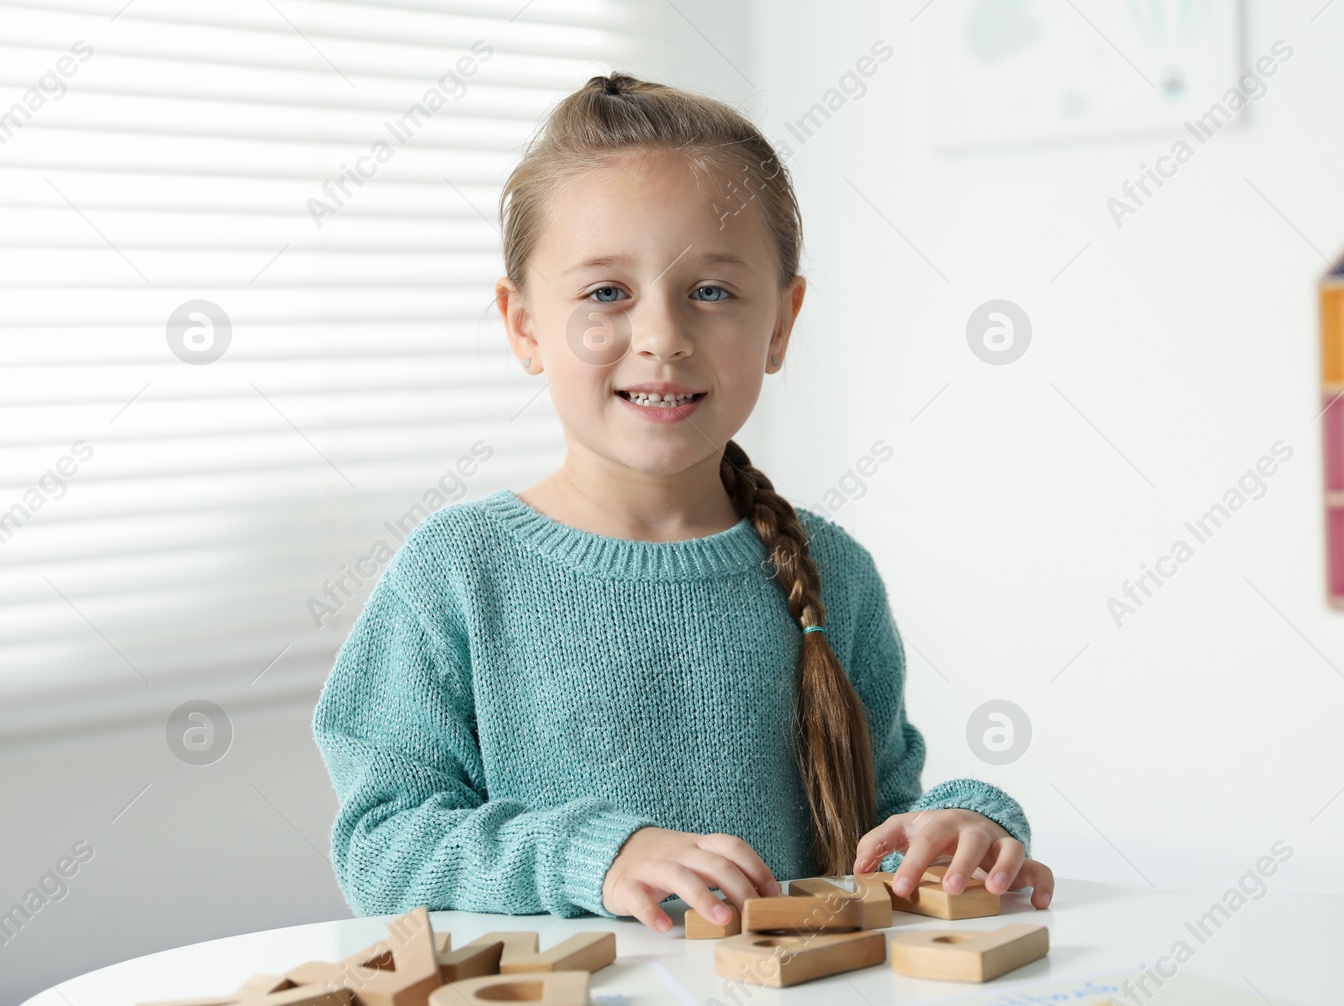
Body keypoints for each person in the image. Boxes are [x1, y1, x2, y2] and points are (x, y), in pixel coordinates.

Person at [311, 71, 1053, 934]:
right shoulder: (456, 572)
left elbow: (876, 841)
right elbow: (383, 848)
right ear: (523, 325)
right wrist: (599, 853)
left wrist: (961, 824)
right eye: (604, 293)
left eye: (711, 291)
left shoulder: (832, 572)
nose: (662, 336)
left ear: (780, 323)